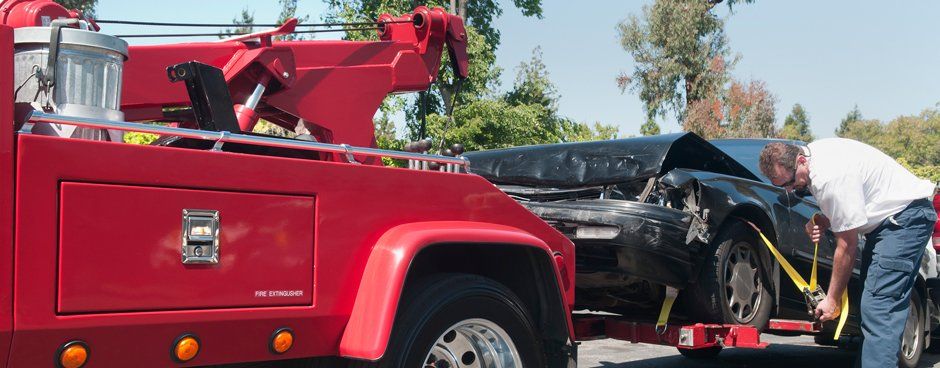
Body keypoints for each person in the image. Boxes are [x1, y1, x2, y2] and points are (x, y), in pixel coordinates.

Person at [758, 138, 937, 367]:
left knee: (879, 308)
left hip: (903, 222)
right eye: (782, 186)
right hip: (891, 224)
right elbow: (853, 208)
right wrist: (823, 220)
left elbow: (847, 247)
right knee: (874, 305)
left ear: (801, 160)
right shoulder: (816, 154)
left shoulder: (830, 178)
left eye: (790, 182)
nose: (790, 190)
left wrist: (832, 299)